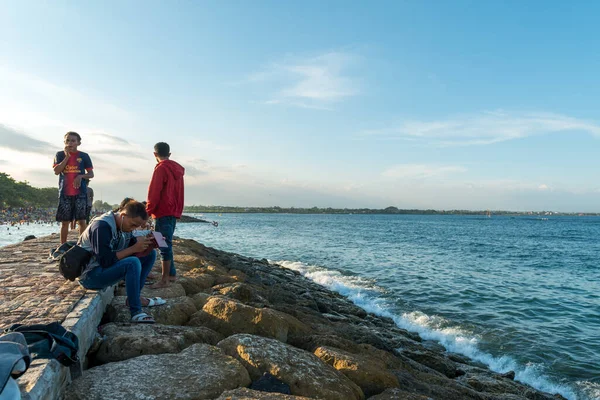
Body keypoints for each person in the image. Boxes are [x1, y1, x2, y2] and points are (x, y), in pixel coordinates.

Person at [77, 199, 165, 323]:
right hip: (90, 276)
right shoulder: (102, 226)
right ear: (123, 216)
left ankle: (134, 298)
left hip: (104, 269)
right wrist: (134, 248)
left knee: (151, 254)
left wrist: (149, 244)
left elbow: (130, 249)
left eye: (137, 226)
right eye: (133, 225)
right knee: (132, 262)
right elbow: (105, 261)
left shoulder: (124, 228)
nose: (134, 229)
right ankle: (136, 311)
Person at [146, 142, 185, 289]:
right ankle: (171, 274)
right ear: (169, 154)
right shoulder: (177, 171)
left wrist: (147, 212)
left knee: (163, 245)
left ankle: (164, 280)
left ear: (155, 155)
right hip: (173, 212)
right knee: (165, 243)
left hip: (161, 211)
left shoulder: (160, 169)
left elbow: (154, 193)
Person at [53, 132, 94, 244]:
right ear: (64, 142)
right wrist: (67, 157)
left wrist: (81, 176)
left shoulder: (84, 156)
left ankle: (82, 245)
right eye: (67, 140)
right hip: (65, 192)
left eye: (73, 141)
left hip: (80, 192)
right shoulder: (59, 155)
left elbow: (91, 174)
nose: (70, 143)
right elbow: (57, 171)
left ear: (78, 143)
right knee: (65, 222)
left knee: (82, 221)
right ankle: (62, 245)